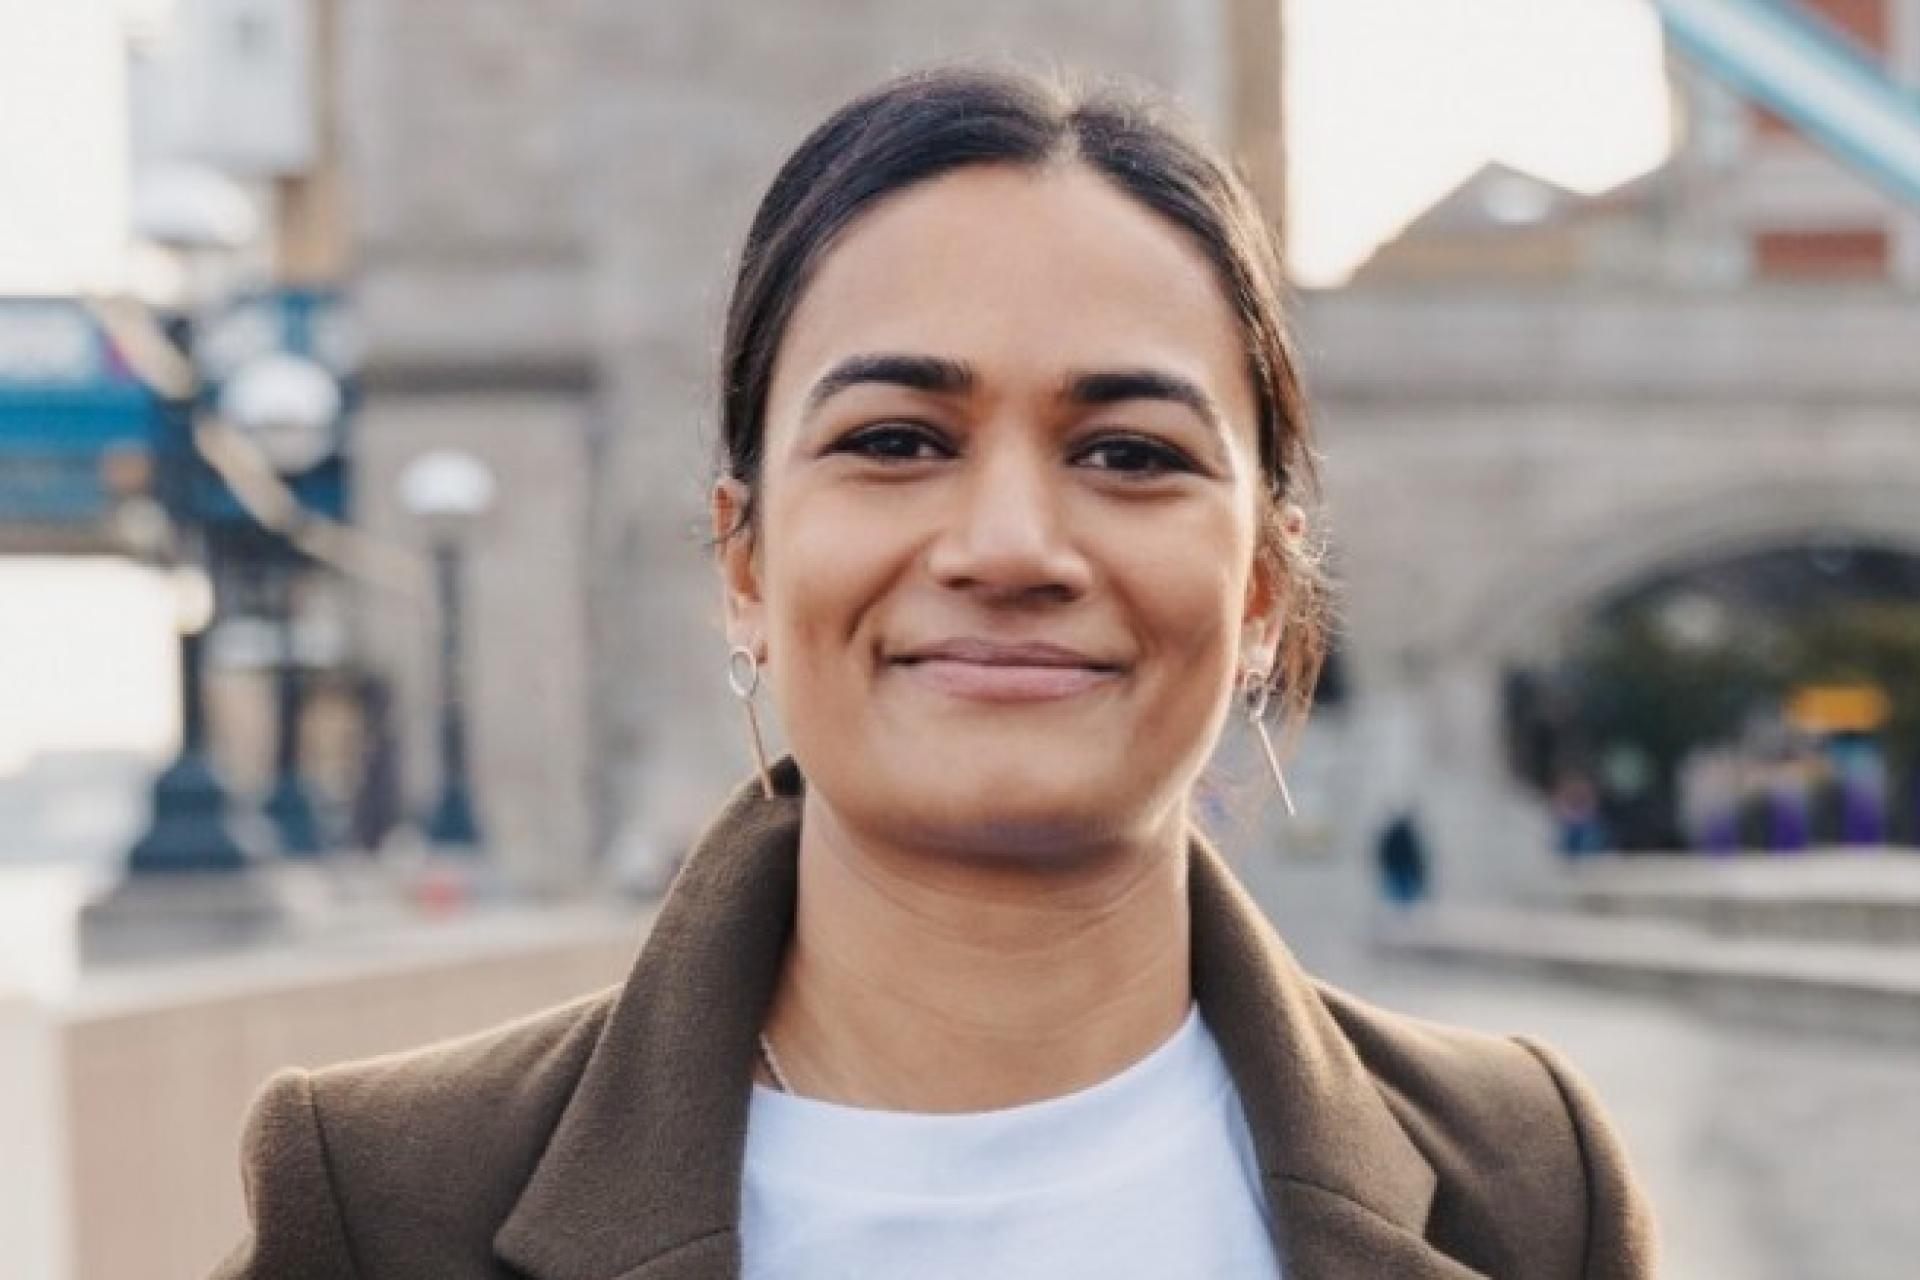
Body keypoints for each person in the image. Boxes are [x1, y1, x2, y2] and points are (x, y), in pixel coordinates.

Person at [215, 67, 1655, 1279]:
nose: (1013, 546)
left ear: (1265, 585)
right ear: (744, 564)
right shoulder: (389, 1201)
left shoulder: (1525, 1181)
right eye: (897, 440)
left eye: (1131, 455)